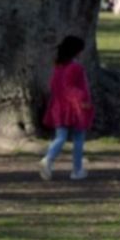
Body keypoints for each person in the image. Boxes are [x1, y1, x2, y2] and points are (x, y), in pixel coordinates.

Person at [40, 36, 95, 182]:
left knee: (60, 137)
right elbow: (74, 87)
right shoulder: (76, 68)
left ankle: (49, 158)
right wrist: (84, 100)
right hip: (76, 107)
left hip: (59, 107)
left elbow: (54, 85)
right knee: (78, 138)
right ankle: (77, 170)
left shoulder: (59, 67)